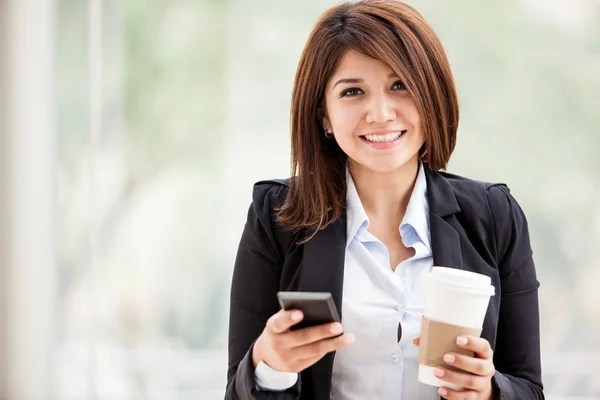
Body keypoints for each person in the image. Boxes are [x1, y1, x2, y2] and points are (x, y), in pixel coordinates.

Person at [225, 1, 544, 399]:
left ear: (432, 96)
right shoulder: (278, 217)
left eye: (400, 86)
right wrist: (271, 365)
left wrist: (490, 391)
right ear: (323, 115)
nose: (380, 113)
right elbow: (237, 390)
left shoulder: (494, 216)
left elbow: (529, 388)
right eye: (353, 91)